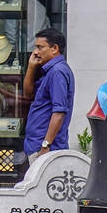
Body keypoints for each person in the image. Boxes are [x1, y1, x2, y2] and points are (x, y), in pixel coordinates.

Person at [22, 28, 74, 163]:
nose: (35, 52)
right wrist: (31, 67)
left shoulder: (57, 72)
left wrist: (46, 145)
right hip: (38, 146)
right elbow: (28, 95)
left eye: (40, 47)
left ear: (54, 48)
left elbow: (59, 112)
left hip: (46, 149)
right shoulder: (49, 71)